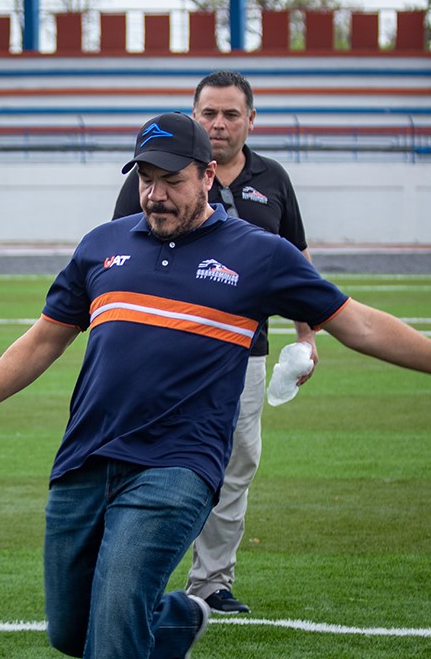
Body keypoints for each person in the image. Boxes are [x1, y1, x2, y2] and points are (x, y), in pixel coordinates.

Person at [0, 112, 431, 659]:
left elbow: (356, 323)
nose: (155, 194)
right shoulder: (102, 247)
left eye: (171, 180)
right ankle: (176, 621)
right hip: (83, 461)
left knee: (113, 618)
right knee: (74, 629)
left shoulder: (259, 254)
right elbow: (43, 337)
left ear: (208, 177)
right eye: (146, 180)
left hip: (176, 468)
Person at [113, 70, 315, 614]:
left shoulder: (272, 178)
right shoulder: (151, 180)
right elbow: (117, 263)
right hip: (162, 355)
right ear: (194, 115)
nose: (219, 124)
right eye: (209, 113)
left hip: (242, 354)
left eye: (231, 114)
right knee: (148, 462)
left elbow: (297, 262)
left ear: (251, 119)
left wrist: (305, 334)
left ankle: (210, 583)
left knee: (235, 464)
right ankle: (134, 577)